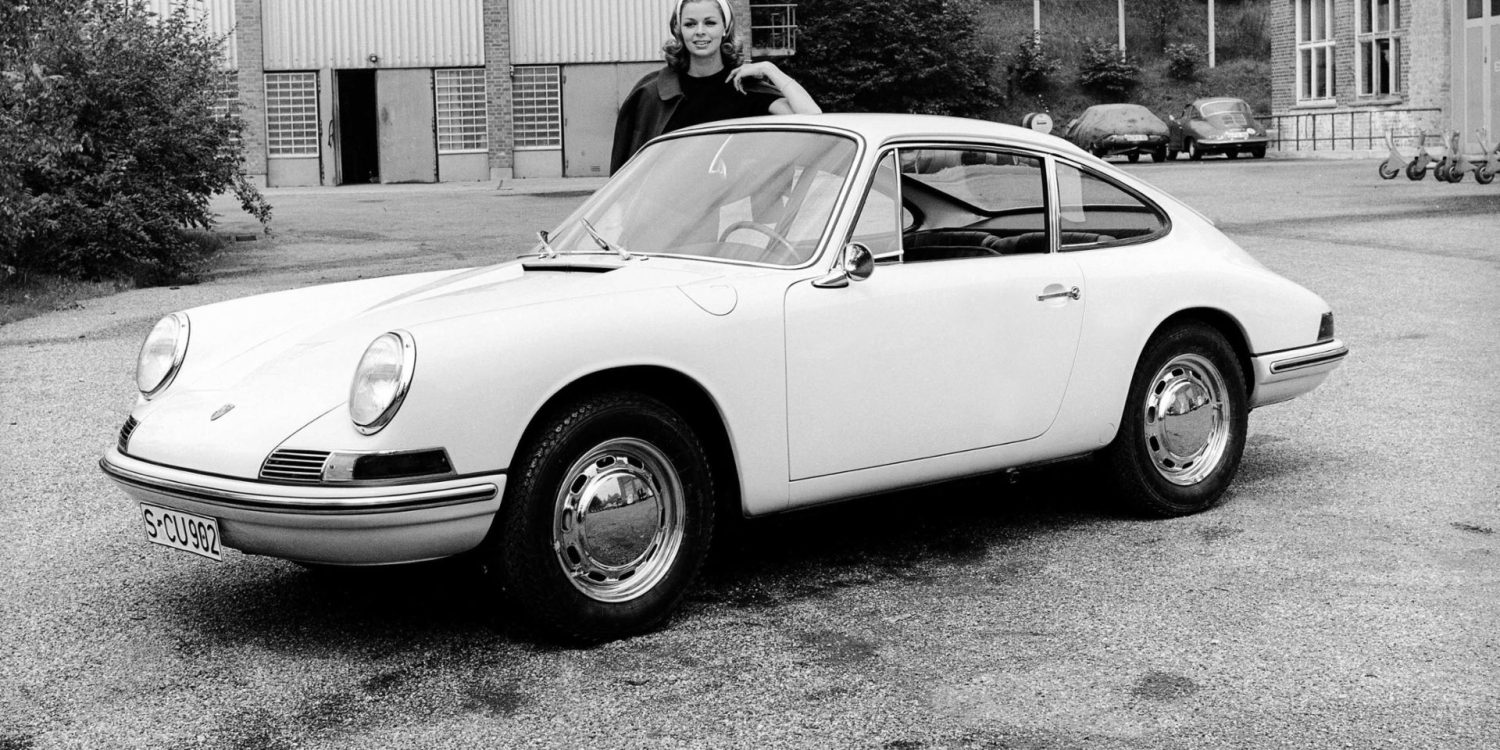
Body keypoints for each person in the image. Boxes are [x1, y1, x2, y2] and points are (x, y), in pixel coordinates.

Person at [610, 0, 821, 174]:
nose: (700, 32)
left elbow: (812, 118)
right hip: (652, 215)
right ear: (679, 30)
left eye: (710, 23)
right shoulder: (652, 91)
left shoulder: (746, 91)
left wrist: (769, 68)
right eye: (690, 24)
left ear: (725, 29)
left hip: (712, 216)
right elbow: (623, 168)